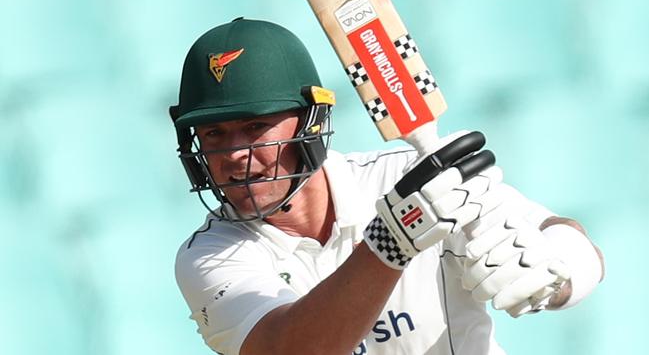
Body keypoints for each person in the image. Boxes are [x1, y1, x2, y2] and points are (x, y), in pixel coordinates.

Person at [170, 18, 605, 355]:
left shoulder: (411, 178)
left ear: (312, 123)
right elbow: (292, 349)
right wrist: (389, 242)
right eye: (213, 134)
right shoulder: (210, 255)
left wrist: (556, 272)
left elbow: (565, 234)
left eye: (256, 127)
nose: (232, 155)